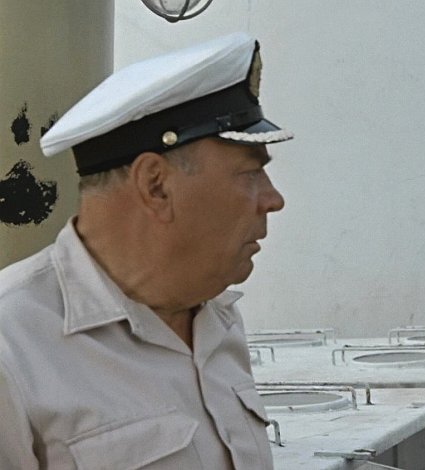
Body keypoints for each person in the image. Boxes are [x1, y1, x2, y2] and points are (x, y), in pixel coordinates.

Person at [0, 33, 292, 469]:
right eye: (250, 174)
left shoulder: (216, 319)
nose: (273, 200)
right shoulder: (12, 345)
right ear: (156, 185)